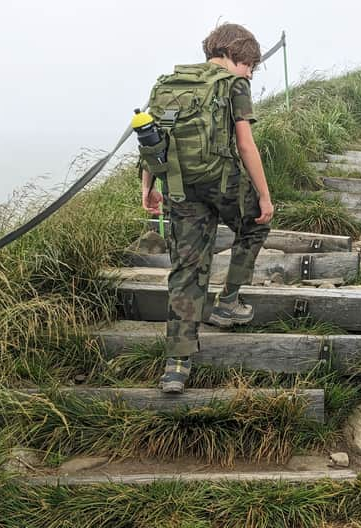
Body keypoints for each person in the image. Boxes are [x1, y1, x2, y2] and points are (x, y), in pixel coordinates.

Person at [138, 23, 274, 393]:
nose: (250, 72)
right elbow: (245, 145)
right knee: (257, 224)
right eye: (250, 64)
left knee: (186, 268)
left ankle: (176, 366)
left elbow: (154, 141)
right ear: (236, 55)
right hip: (223, 182)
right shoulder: (234, 85)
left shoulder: (168, 85)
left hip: (180, 187)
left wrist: (148, 187)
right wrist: (263, 195)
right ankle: (228, 302)